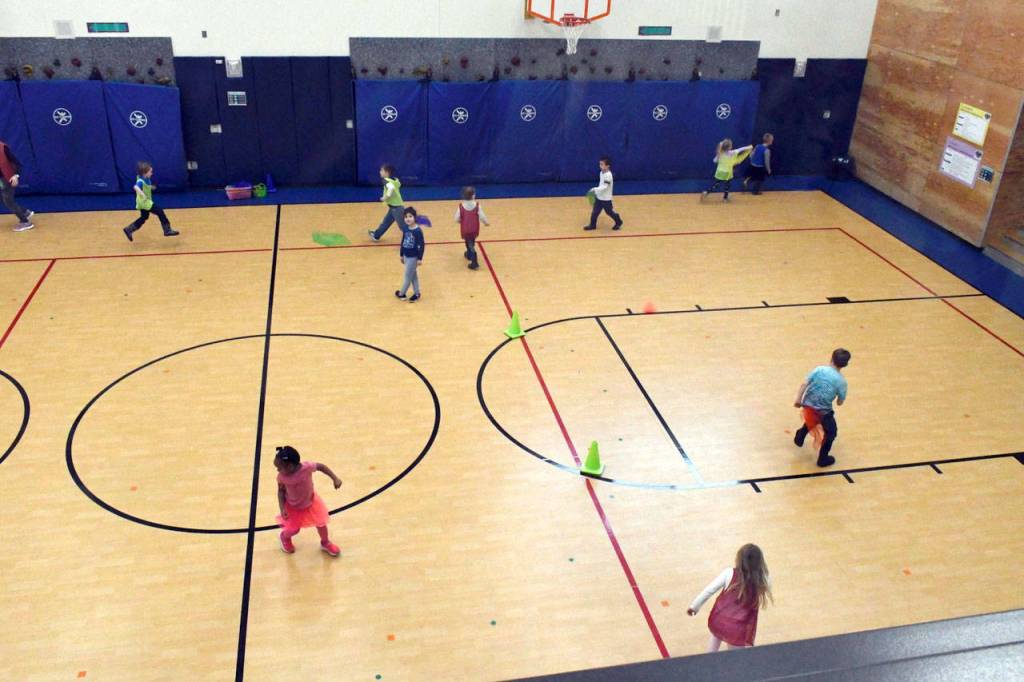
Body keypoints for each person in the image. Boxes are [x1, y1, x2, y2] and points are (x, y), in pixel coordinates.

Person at [688, 543, 772, 652]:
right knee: (735, 657)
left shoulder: (729, 573)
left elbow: (708, 591)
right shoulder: (762, 579)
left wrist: (694, 607)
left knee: (716, 637)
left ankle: (708, 662)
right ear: (760, 562)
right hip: (738, 626)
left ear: (739, 559)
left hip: (719, 619)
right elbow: (767, 583)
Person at [274, 445, 343, 557]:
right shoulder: (282, 477)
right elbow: (281, 492)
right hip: (293, 507)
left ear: (290, 466)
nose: (278, 470)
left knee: (321, 524)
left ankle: (325, 542)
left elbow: (321, 467)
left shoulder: (307, 467)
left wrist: (335, 478)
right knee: (294, 530)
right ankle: (284, 537)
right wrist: (282, 508)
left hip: (311, 503)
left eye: (279, 467)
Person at [794, 348, 852, 467]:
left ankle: (801, 434)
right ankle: (823, 459)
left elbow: (805, 383)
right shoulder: (842, 382)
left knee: (813, 419)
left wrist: (798, 399)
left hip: (808, 404)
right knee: (831, 433)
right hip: (823, 410)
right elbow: (840, 402)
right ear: (845, 364)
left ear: (831, 358)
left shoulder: (819, 369)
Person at [123, 161, 179, 241]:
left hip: (141, 202)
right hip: (145, 202)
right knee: (160, 211)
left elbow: (145, 185)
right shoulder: (140, 181)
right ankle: (167, 230)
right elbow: (136, 187)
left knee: (144, 217)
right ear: (144, 173)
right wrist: (143, 194)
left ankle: (129, 229)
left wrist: (150, 187)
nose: (152, 173)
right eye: (150, 172)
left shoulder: (145, 178)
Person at [0, 137, 35, 232]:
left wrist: (15, 176)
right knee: (4, 199)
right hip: (1, 180)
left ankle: (25, 222)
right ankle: (24, 212)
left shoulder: (3, 148)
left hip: (7, 178)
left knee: (8, 201)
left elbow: (18, 164)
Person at [583, 156, 622, 231]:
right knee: (595, 212)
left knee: (609, 212)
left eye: (602, 164)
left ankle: (618, 221)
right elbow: (601, 184)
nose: (600, 166)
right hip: (599, 197)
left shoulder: (608, 175)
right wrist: (597, 193)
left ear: (607, 166)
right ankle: (592, 225)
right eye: (600, 164)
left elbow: (605, 186)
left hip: (606, 199)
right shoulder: (601, 173)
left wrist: (594, 189)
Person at [455, 186, 489, 270]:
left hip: (465, 229)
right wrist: (486, 223)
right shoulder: (477, 206)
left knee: (469, 242)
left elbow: (456, 218)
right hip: (474, 229)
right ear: (473, 196)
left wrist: (460, 221)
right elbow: (482, 216)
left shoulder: (461, 206)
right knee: (471, 241)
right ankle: (470, 254)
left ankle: (473, 259)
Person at [368, 163, 404, 242]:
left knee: (403, 226)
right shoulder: (395, 179)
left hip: (397, 208)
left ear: (387, 172)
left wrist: (385, 197)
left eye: (381, 170)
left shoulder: (386, 180)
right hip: (393, 207)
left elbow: (390, 188)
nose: (380, 172)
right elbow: (398, 185)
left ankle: (411, 239)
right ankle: (376, 235)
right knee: (386, 222)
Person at [395, 206, 425, 302]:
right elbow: (403, 241)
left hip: (413, 257)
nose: (408, 219)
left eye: (410, 216)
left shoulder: (417, 231)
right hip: (406, 256)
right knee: (413, 275)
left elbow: (421, 245)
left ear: (415, 218)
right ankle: (417, 293)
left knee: (407, 276)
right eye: (406, 217)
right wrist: (401, 254)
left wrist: (420, 258)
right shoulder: (405, 228)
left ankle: (402, 293)